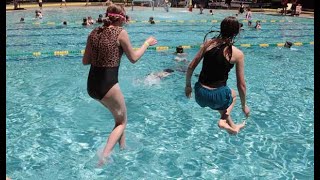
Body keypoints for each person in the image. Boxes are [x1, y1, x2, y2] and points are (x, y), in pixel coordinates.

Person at [82, 4, 157, 166]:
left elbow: (85, 61)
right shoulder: (120, 33)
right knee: (122, 122)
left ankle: (122, 147)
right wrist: (146, 43)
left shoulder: (93, 32)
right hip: (108, 84)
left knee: (118, 118)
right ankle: (104, 157)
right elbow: (134, 58)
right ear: (121, 18)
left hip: (92, 85)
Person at [185, 16, 250, 134]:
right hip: (217, 96)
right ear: (236, 32)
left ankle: (233, 128)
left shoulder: (208, 44)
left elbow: (190, 67)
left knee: (221, 104)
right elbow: (241, 85)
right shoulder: (237, 54)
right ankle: (222, 121)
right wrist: (243, 105)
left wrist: (188, 86)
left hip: (200, 95)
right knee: (233, 95)